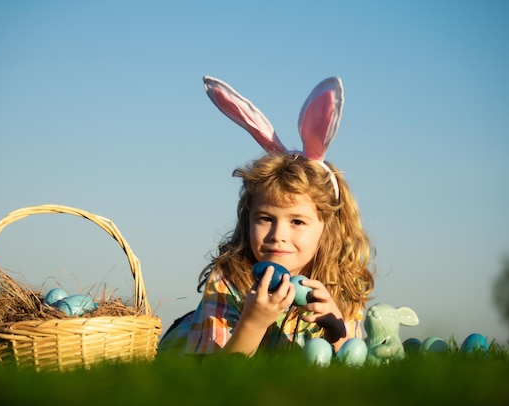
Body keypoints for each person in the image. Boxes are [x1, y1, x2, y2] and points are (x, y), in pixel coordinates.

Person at [158, 75, 375, 357]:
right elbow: (213, 381)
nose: (278, 235)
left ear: (327, 227)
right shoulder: (229, 281)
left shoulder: (343, 284)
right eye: (265, 219)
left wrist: (337, 333)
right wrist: (253, 323)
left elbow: (354, 368)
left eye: (297, 221)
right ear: (247, 220)